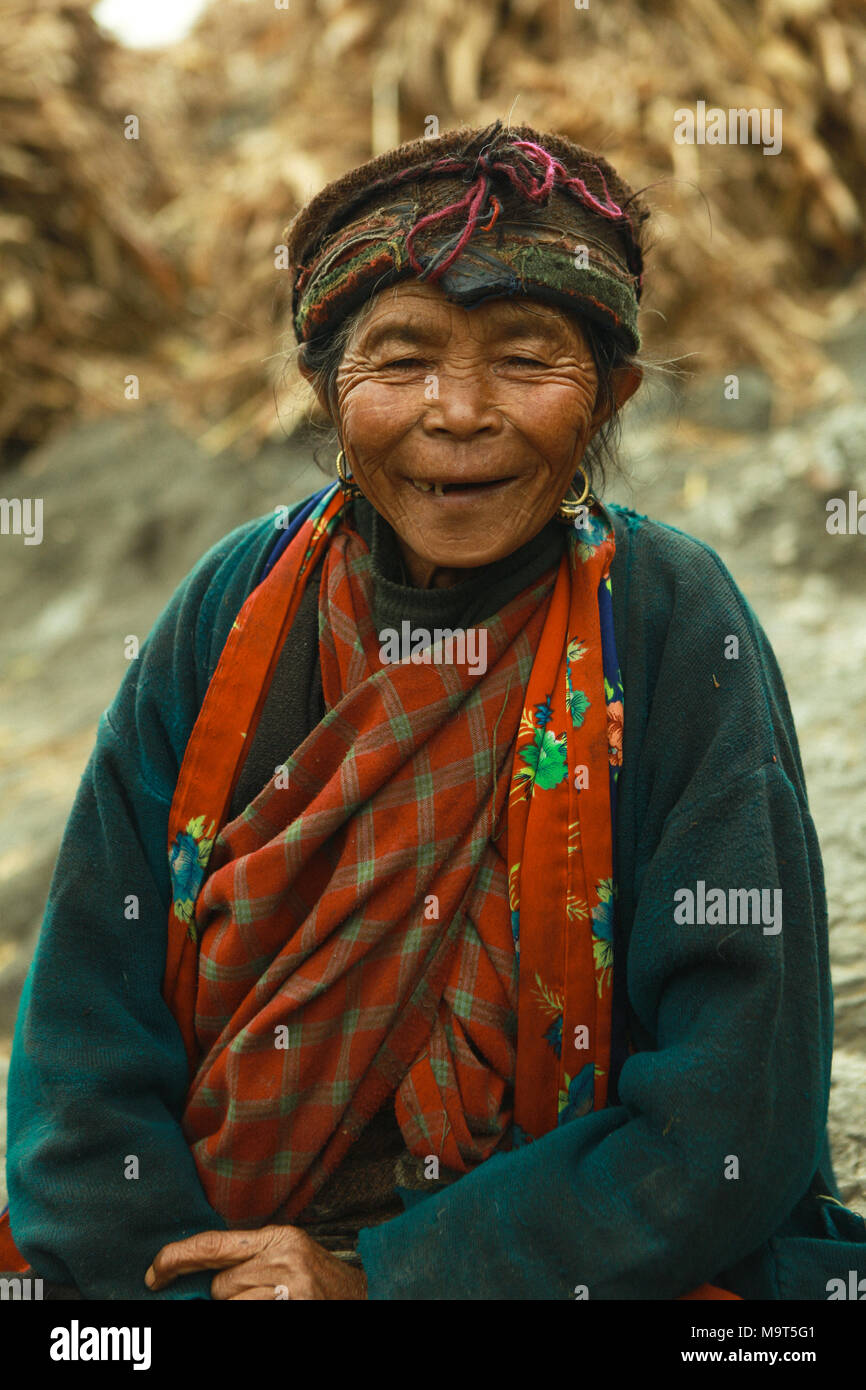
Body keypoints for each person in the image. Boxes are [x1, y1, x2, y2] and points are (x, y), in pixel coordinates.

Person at [2, 120, 864, 1301]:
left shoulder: (667, 620)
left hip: (547, 1266)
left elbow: (734, 1105)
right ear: (325, 390)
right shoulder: (235, 611)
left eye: (524, 359)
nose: (457, 411)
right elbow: (87, 1018)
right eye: (398, 361)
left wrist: (388, 1280)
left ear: (607, 396)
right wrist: (172, 1270)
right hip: (227, 1247)